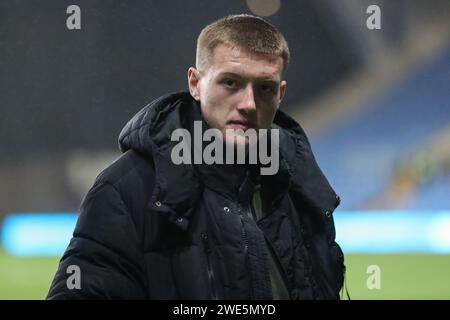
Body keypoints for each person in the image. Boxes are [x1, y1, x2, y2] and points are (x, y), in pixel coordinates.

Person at [47, 14, 345, 300]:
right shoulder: (128, 189)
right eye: (231, 82)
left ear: (280, 94)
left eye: (264, 88)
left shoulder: (299, 187)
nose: (249, 104)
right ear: (195, 83)